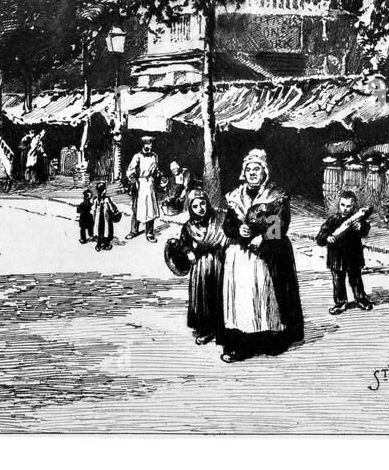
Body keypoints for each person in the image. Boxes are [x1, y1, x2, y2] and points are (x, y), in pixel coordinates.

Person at [220, 148, 304, 362]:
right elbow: (228, 224)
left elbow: (280, 223)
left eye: (257, 169)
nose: (252, 173)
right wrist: (238, 230)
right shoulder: (235, 195)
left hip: (267, 254)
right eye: (248, 169)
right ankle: (242, 344)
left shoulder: (276, 195)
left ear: (265, 171)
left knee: (266, 297)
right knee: (243, 299)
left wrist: (263, 238)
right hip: (240, 255)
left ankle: (271, 340)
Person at [166, 190, 227, 345]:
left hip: (219, 263)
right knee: (203, 296)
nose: (200, 208)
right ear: (190, 208)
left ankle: (223, 327)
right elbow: (183, 244)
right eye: (195, 206)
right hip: (200, 266)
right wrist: (188, 252)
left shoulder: (218, 220)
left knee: (220, 293)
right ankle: (206, 329)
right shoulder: (188, 227)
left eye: (202, 203)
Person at [316, 190, 373, 314]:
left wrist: (361, 227)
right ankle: (340, 302)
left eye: (348, 206)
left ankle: (361, 298)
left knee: (356, 279)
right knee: (338, 281)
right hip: (336, 258)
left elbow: (366, 230)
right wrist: (327, 237)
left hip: (353, 256)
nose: (345, 209)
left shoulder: (357, 220)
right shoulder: (333, 220)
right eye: (342, 205)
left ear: (354, 207)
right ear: (339, 204)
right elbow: (320, 237)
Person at [126, 136, 161, 241]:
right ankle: (133, 230)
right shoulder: (137, 156)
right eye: (146, 144)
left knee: (150, 208)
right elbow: (130, 171)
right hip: (140, 184)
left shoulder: (155, 156)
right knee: (137, 208)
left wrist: (158, 175)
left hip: (150, 184)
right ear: (142, 145)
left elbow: (156, 170)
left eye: (150, 144)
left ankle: (149, 232)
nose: (148, 146)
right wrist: (135, 182)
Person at [93, 181, 122, 250]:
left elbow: (94, 209)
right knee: (107, 231)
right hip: (106, 218)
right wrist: (115, 212)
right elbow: (112, 208)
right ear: (104, 190)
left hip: (99, 218)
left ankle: (99, 245)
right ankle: (106, 245)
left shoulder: (96, 199)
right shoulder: (106, 199)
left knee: (100, 231)